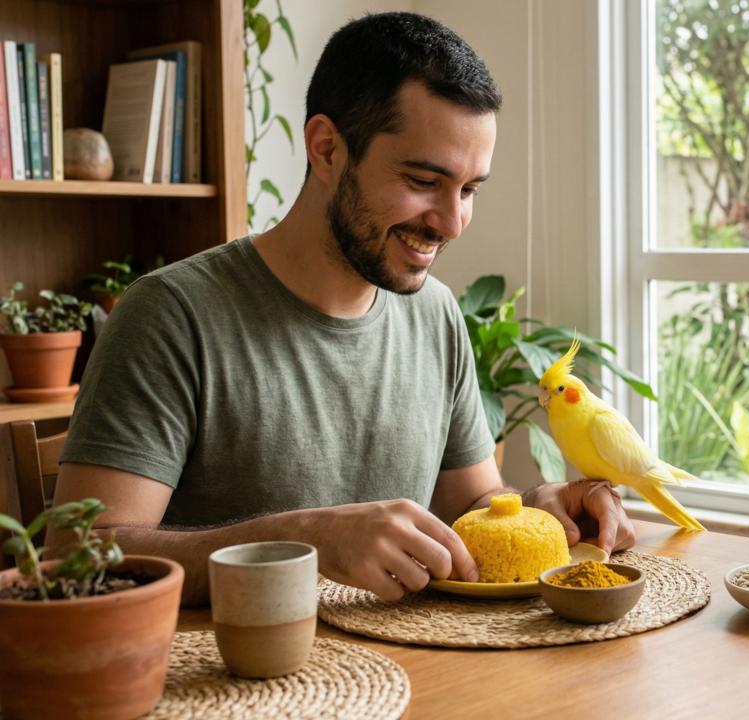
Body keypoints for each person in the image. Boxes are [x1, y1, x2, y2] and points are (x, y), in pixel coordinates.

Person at [50, 12, 635, 605]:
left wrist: (537, 510)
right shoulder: (171, 316)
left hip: (413, 674)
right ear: (327, 149)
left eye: (469, 190)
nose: (452, 223)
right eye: (423, 180)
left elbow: (470, 506)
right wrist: (304, 540)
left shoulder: (435, 313)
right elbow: (77, 558)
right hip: (228, 683)